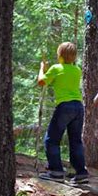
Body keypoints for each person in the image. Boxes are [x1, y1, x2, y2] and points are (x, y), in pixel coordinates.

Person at [37, 42, 89, 184]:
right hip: (78, 107)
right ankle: (81, 173)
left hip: (64, 106)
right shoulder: (77, 70)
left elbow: (41, 82)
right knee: (75, 141)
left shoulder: (56, 68)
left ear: (59, 55)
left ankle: (56, 172)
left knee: (52, 140)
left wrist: (42, 69)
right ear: (74, 57)